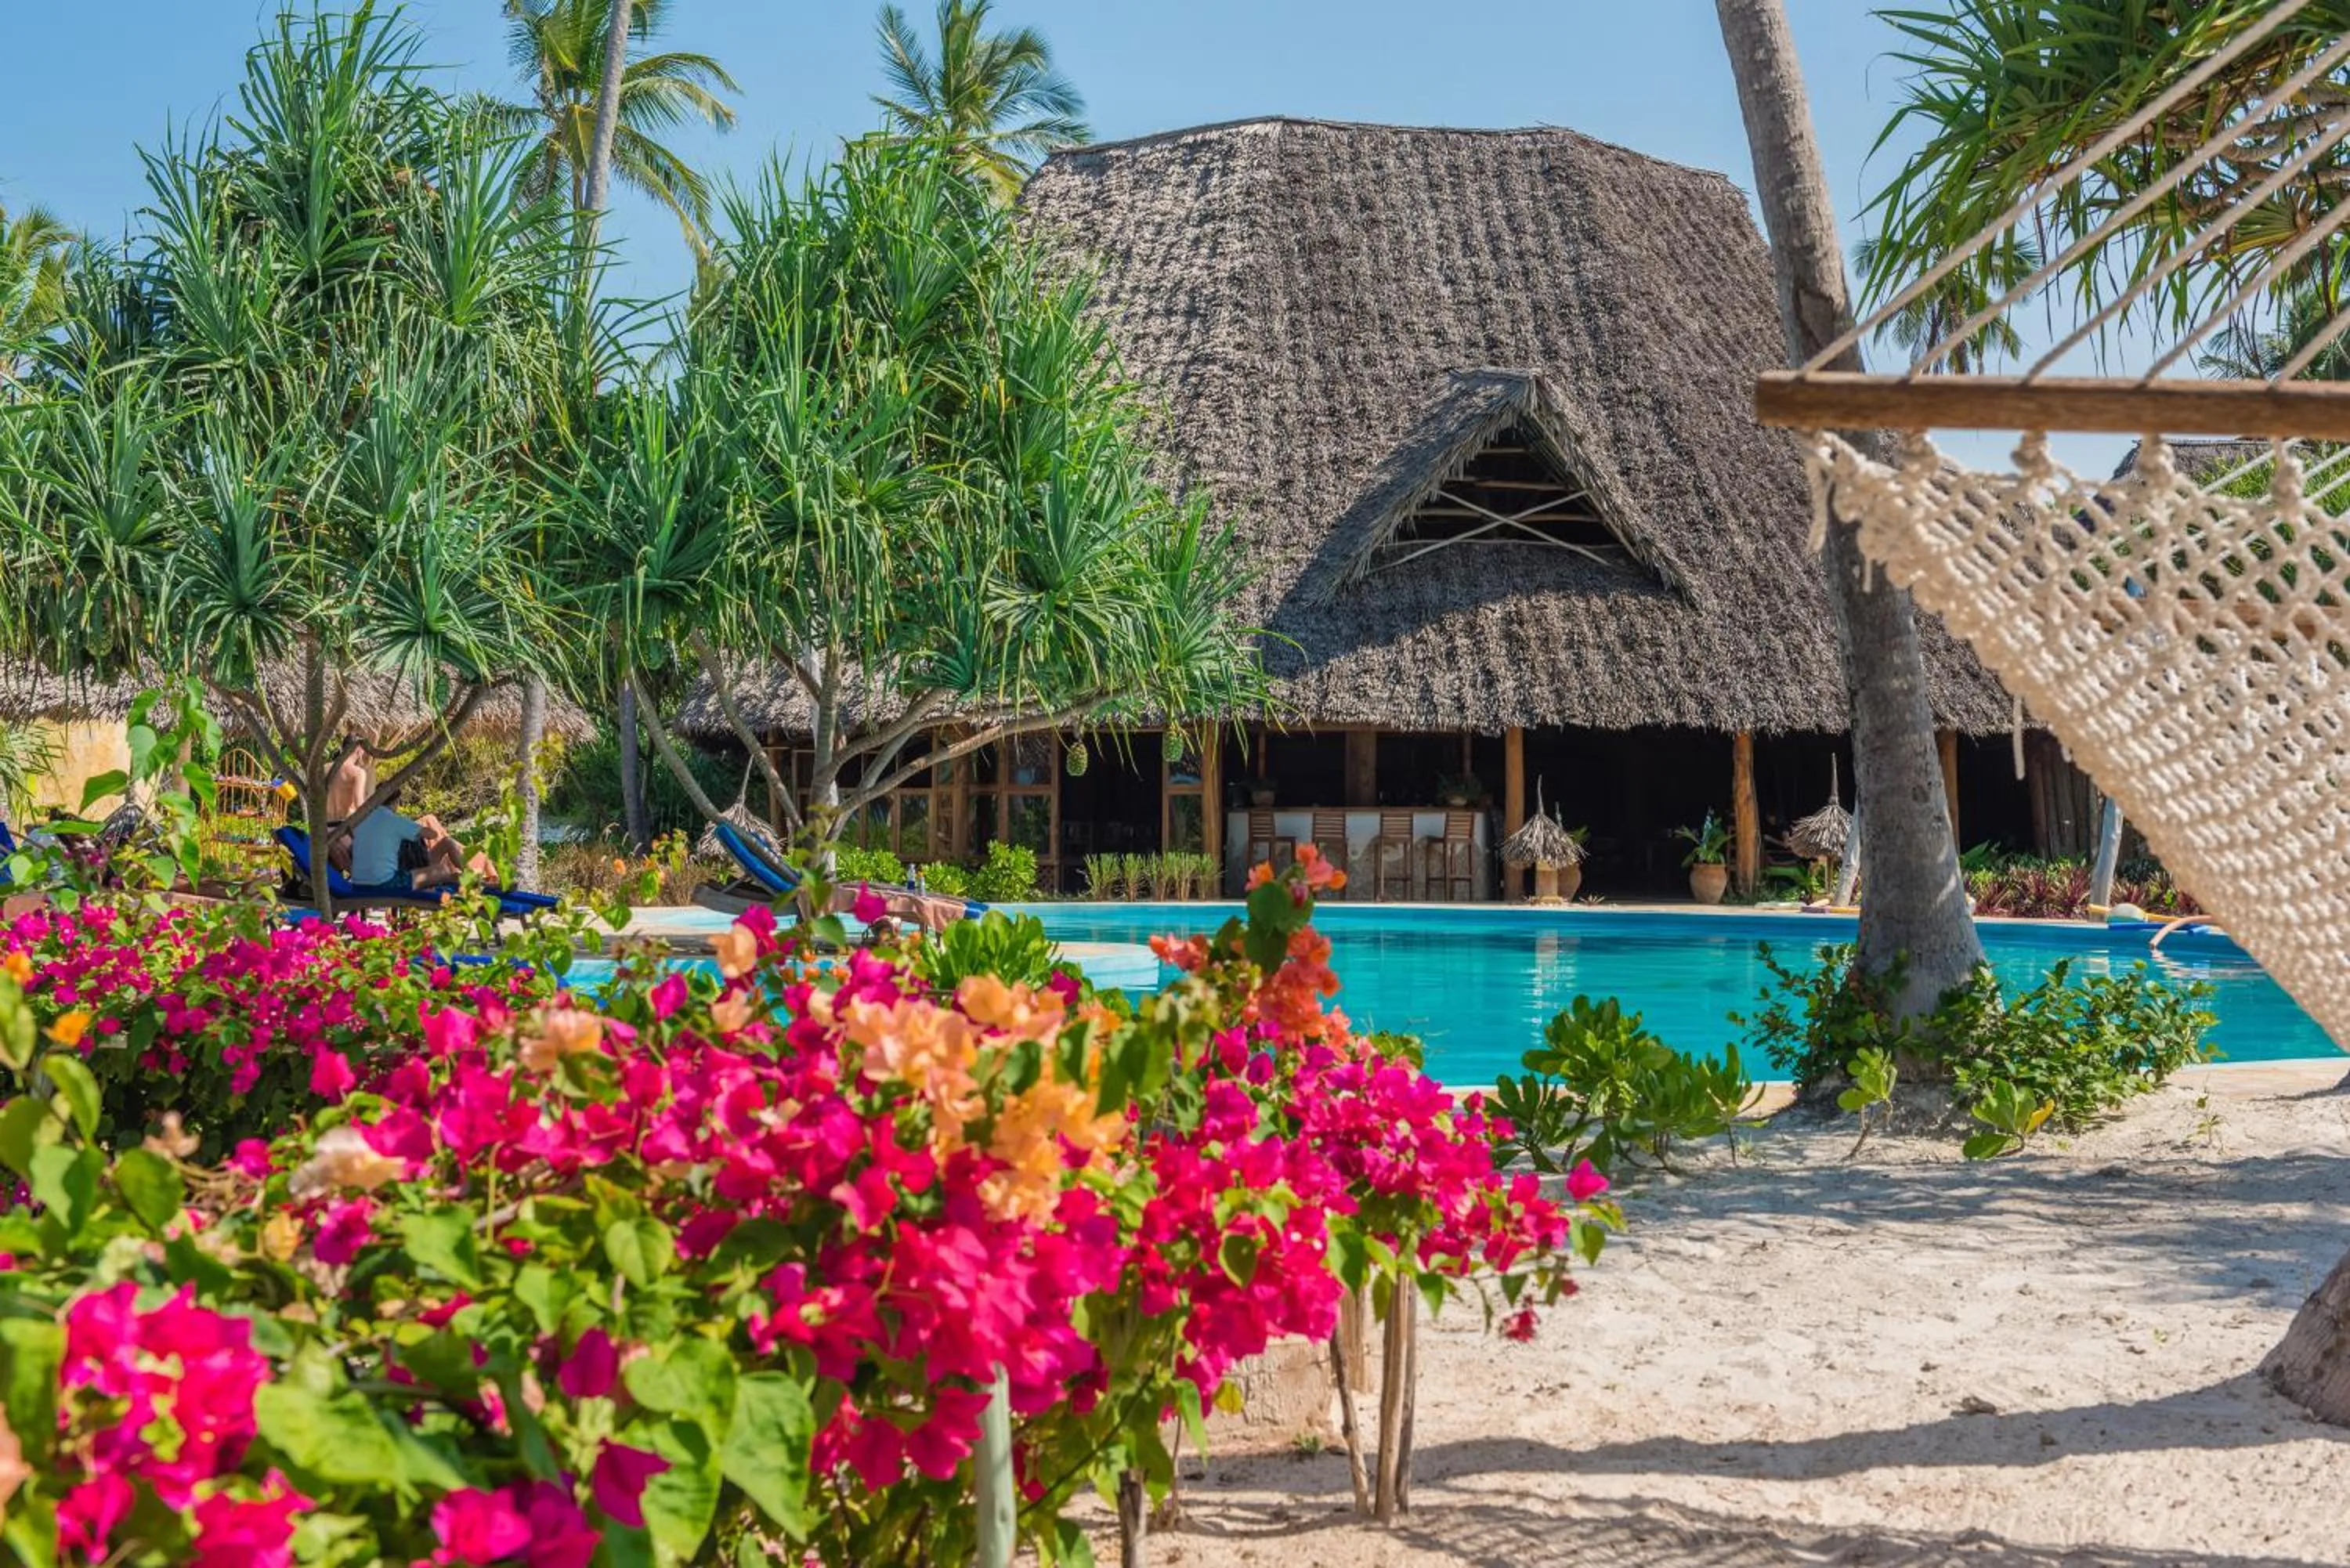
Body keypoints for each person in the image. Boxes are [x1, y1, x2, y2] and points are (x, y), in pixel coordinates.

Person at [345, 785, 496, 891]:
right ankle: (479, 883)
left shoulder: (363, 819)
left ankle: (476, 881)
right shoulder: (394, 821)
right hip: (387, 882)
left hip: (362, 879)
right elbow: (433, 834)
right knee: (444, 871)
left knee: (447, 846)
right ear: (396, 802)